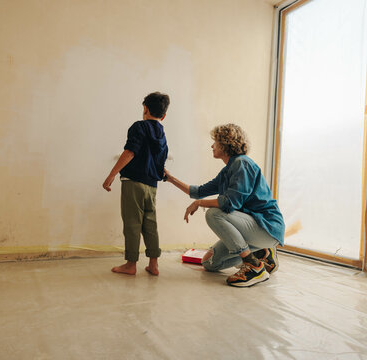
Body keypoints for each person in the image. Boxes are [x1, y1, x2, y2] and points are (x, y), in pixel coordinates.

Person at [164, 123, 285, 287]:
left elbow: (230, 203)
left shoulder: (242, 164)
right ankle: (261, 253)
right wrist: (170, 179)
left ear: (226, 144)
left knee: (213, 213)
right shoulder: (228, 169)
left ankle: (254, 267)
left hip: (267, 227)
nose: (212, 145)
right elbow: (198, 191)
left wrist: (199, 204)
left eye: (215, 142)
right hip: (252, 228)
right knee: (210, 263)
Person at [102, 92, 170, 276]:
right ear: (163, 116)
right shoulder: (162, 134)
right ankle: (153, 264)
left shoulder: (139, 127)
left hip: (133, 182)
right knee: (150, 223)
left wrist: (112, 174)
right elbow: (161, 161)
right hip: (152, 186)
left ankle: (131, 264)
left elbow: (130, 152)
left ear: (145, 109)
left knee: (132, 223)